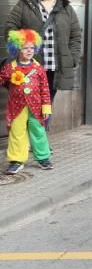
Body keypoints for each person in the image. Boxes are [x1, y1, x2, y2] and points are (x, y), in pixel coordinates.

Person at [4, 0, 82, 111]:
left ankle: (41, 133)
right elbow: (10, 27)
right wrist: (21, 47)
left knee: (46, 106)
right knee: (27, 104)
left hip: (54, 68)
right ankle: (30, 133)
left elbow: (76, 36)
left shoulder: (66, 9)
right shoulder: (25, 5)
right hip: (30, 66)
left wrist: (72, 59)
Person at [2, 30, 53, 174]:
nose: (29, 51)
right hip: (16, 107)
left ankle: (43, 157)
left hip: (36, 108)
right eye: (25, 48)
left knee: (38, 131)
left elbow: (45, 89)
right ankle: (16, 161)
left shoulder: (38, 69)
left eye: (32, 47)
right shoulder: (9, 68)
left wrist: (46, 108)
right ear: (17, 48)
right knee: (17, 132)